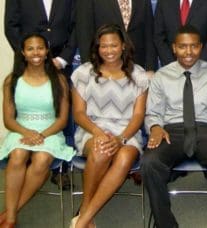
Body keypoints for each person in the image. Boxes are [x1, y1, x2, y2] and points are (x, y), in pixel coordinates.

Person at [141, 25, 207, 228]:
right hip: (171, 132)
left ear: (201, 47)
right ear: (174, 48)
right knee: (149, 163)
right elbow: (153, 113)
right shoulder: (162, 76)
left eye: (194, 46)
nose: (188, 52)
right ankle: (165, 224)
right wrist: (155, 128)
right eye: (183, 47)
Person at [70, 24, 148, 228]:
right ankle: (87, 211)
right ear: (97, 47)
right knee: (101, 151)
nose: (108, 50)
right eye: (103, 46)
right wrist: (97, 132)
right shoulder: (83, 72)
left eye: (113, 45)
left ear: (123, 46)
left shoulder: (138, 74)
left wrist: (120, 138)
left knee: (123, 158)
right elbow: (78, 113)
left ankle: (83, 219)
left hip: (127, 133)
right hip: (92, 129)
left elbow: (138, 115)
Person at [0, 33, 75, 228]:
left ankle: (10, 213)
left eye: (40, 48)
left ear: (47, 51)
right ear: (23, 53)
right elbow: (8, 120)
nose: (36, 53)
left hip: (50, 130)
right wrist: (27, 133)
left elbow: (62, 119)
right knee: (17, 154)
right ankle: (11, 217)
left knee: (42, 159)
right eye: (31, 49)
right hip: (20, 129)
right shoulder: (12, 81)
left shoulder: (58, 80)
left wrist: (41, 135)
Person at [5, 0, 78, 190]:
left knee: (65, 117)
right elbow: (11, 26)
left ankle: (60, 169)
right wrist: (29, 54)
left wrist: (63, 59)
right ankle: (27, 158)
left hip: (61, 62)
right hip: (29, 62)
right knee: (27, 107)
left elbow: (76, 25)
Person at [76, 0, 157, 71]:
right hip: (102, 65)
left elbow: (149, 32)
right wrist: (89, 67)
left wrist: (150, 68)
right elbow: (84, 34)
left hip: (136, 65)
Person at [153, 0, 207, 66]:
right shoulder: (164, 2)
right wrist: (172, 66)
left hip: (204, 70)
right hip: (170, 71)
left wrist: (198, 66)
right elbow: (159, 36)